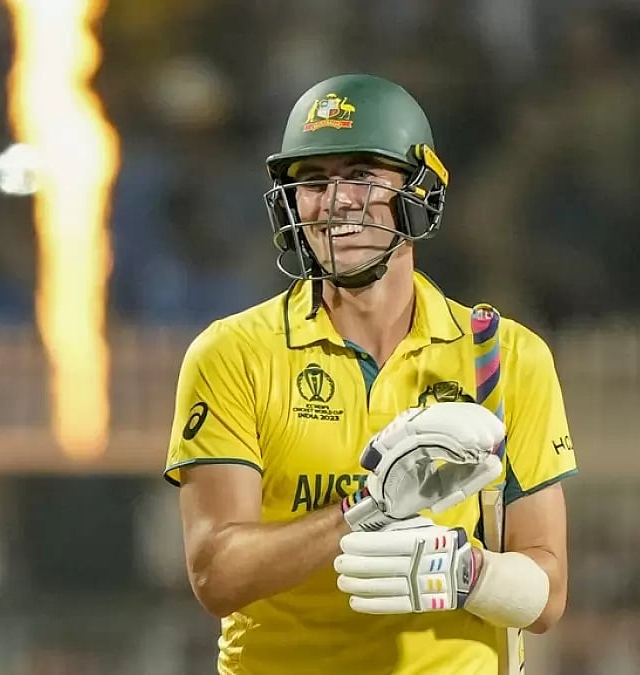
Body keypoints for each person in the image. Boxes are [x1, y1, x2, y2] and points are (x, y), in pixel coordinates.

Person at [164, 73, 578, 674]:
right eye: (312, 180)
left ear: (420, 191)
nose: (335, 202)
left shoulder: (505, 354)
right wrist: (366, 508)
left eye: (361, 174)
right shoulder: (232, 352)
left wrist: (470, 573)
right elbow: (217, 574)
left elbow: (549, 594)